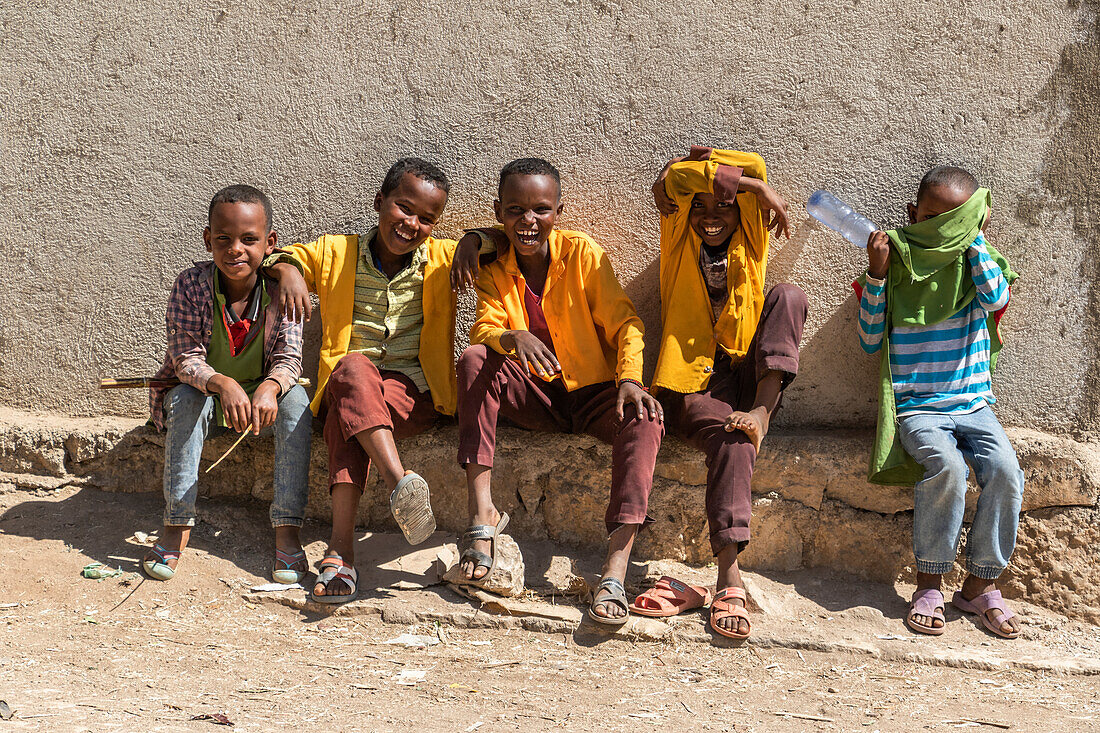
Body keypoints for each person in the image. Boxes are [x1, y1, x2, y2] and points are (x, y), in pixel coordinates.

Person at [268, 157, 492, 604]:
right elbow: (279, 254)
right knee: (352, 370)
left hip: (413, 395)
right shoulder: (337, 252)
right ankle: (398, 481)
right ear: (379, 202)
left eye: (428, 218)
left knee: (347, 418)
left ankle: (342, 551)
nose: (412, 224)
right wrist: (289, 269)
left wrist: (473, 238)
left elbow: (503, 241)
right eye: (403, 209)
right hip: (351, 383)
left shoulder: (443, 259)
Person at [456, 158, 664, 626]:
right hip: (537, 397)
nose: (528, 222)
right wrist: (513, 336)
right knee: (473, 362)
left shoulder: (583, 254)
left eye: (541, 210)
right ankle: (482, 517)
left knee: (646, 419)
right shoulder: (493, 268)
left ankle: (614, 568)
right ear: (498, 212)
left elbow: (627, 323)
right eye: (514, 210)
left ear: (558, 211)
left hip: (594, 395)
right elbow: (484, 326)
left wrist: (630, 377)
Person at [856, 165, 1023, 639]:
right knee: (947, 469)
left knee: (1008, 472)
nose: (942, 231)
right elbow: (870, 340)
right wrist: (877, 273)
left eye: (956, 221)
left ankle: (979, 586)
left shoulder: (977, 264)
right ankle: (929, 583)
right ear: (913, 215)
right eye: (932, 219)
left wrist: (974, 242)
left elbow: (995, 300)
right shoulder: (899, 265)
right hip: (920, 408)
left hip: (973, 404)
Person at [647, 147, 806, 639]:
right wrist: (754, 187)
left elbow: (757, 163)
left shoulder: (752, 237)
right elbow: (672, 179)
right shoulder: (677, 235)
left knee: (789, 295)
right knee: (733, 440)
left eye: (724, 206)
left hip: (751, 372)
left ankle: (763, 409)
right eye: (702, 207)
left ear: (743, 212)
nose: (711, 217)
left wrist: (754, 189)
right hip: (699, 377)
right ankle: (728, 576)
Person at [143, 184, 312, 583]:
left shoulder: (280, 291)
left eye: (249, 239)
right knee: (185, 399)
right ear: (208, 240)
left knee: (298, 400)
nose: (235, 249)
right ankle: (176, 526)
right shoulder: (191, 286)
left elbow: (289, 359)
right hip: (207, 395)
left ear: (270, 243)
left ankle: (287, 532)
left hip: (260, 403)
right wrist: (222, 384)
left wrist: (269, 387)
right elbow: (186, 360)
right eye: (223, 239)